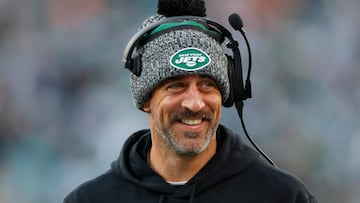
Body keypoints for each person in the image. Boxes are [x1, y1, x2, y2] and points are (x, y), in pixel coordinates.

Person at [63, 0, 317, 202]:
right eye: (176, 86)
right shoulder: (89, 199)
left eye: (207, 85)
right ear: (145, 99)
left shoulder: (282, 196)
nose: (194, 103)